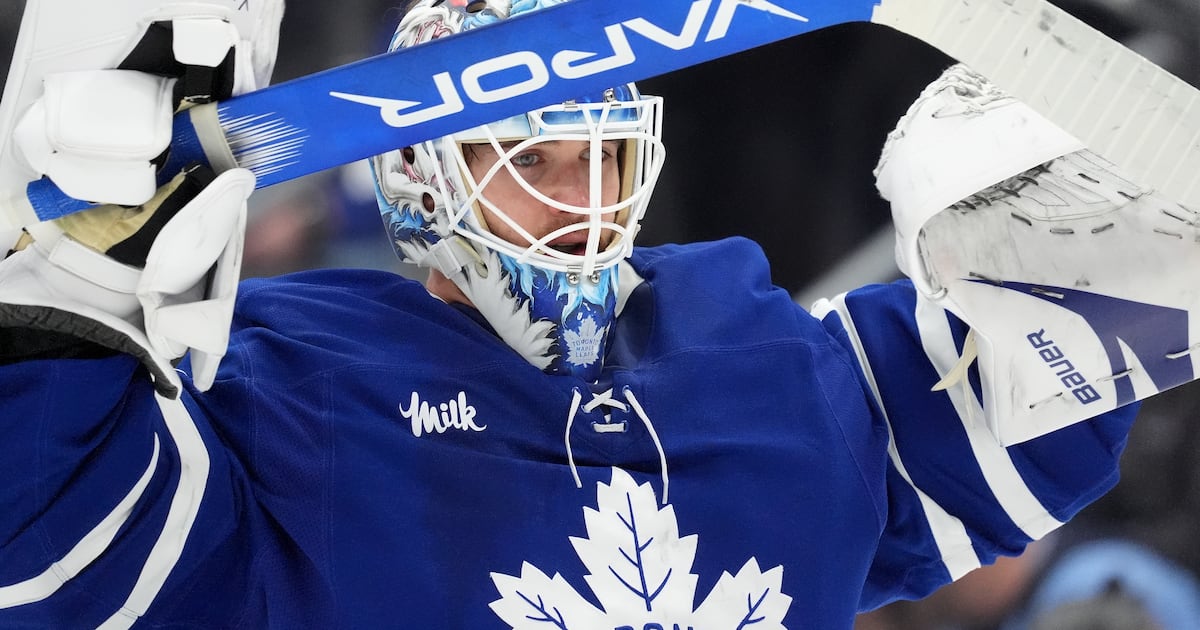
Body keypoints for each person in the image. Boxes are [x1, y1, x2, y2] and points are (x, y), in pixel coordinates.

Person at [0, 0, 1186, 627]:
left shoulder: (762, 356)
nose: (585, 199)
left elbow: (1043, 376)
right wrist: (69, 293)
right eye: (538, 159)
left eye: (604, 157)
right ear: (424, 178)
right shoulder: (288, 386)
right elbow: (57, 539)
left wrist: (1127, 204)